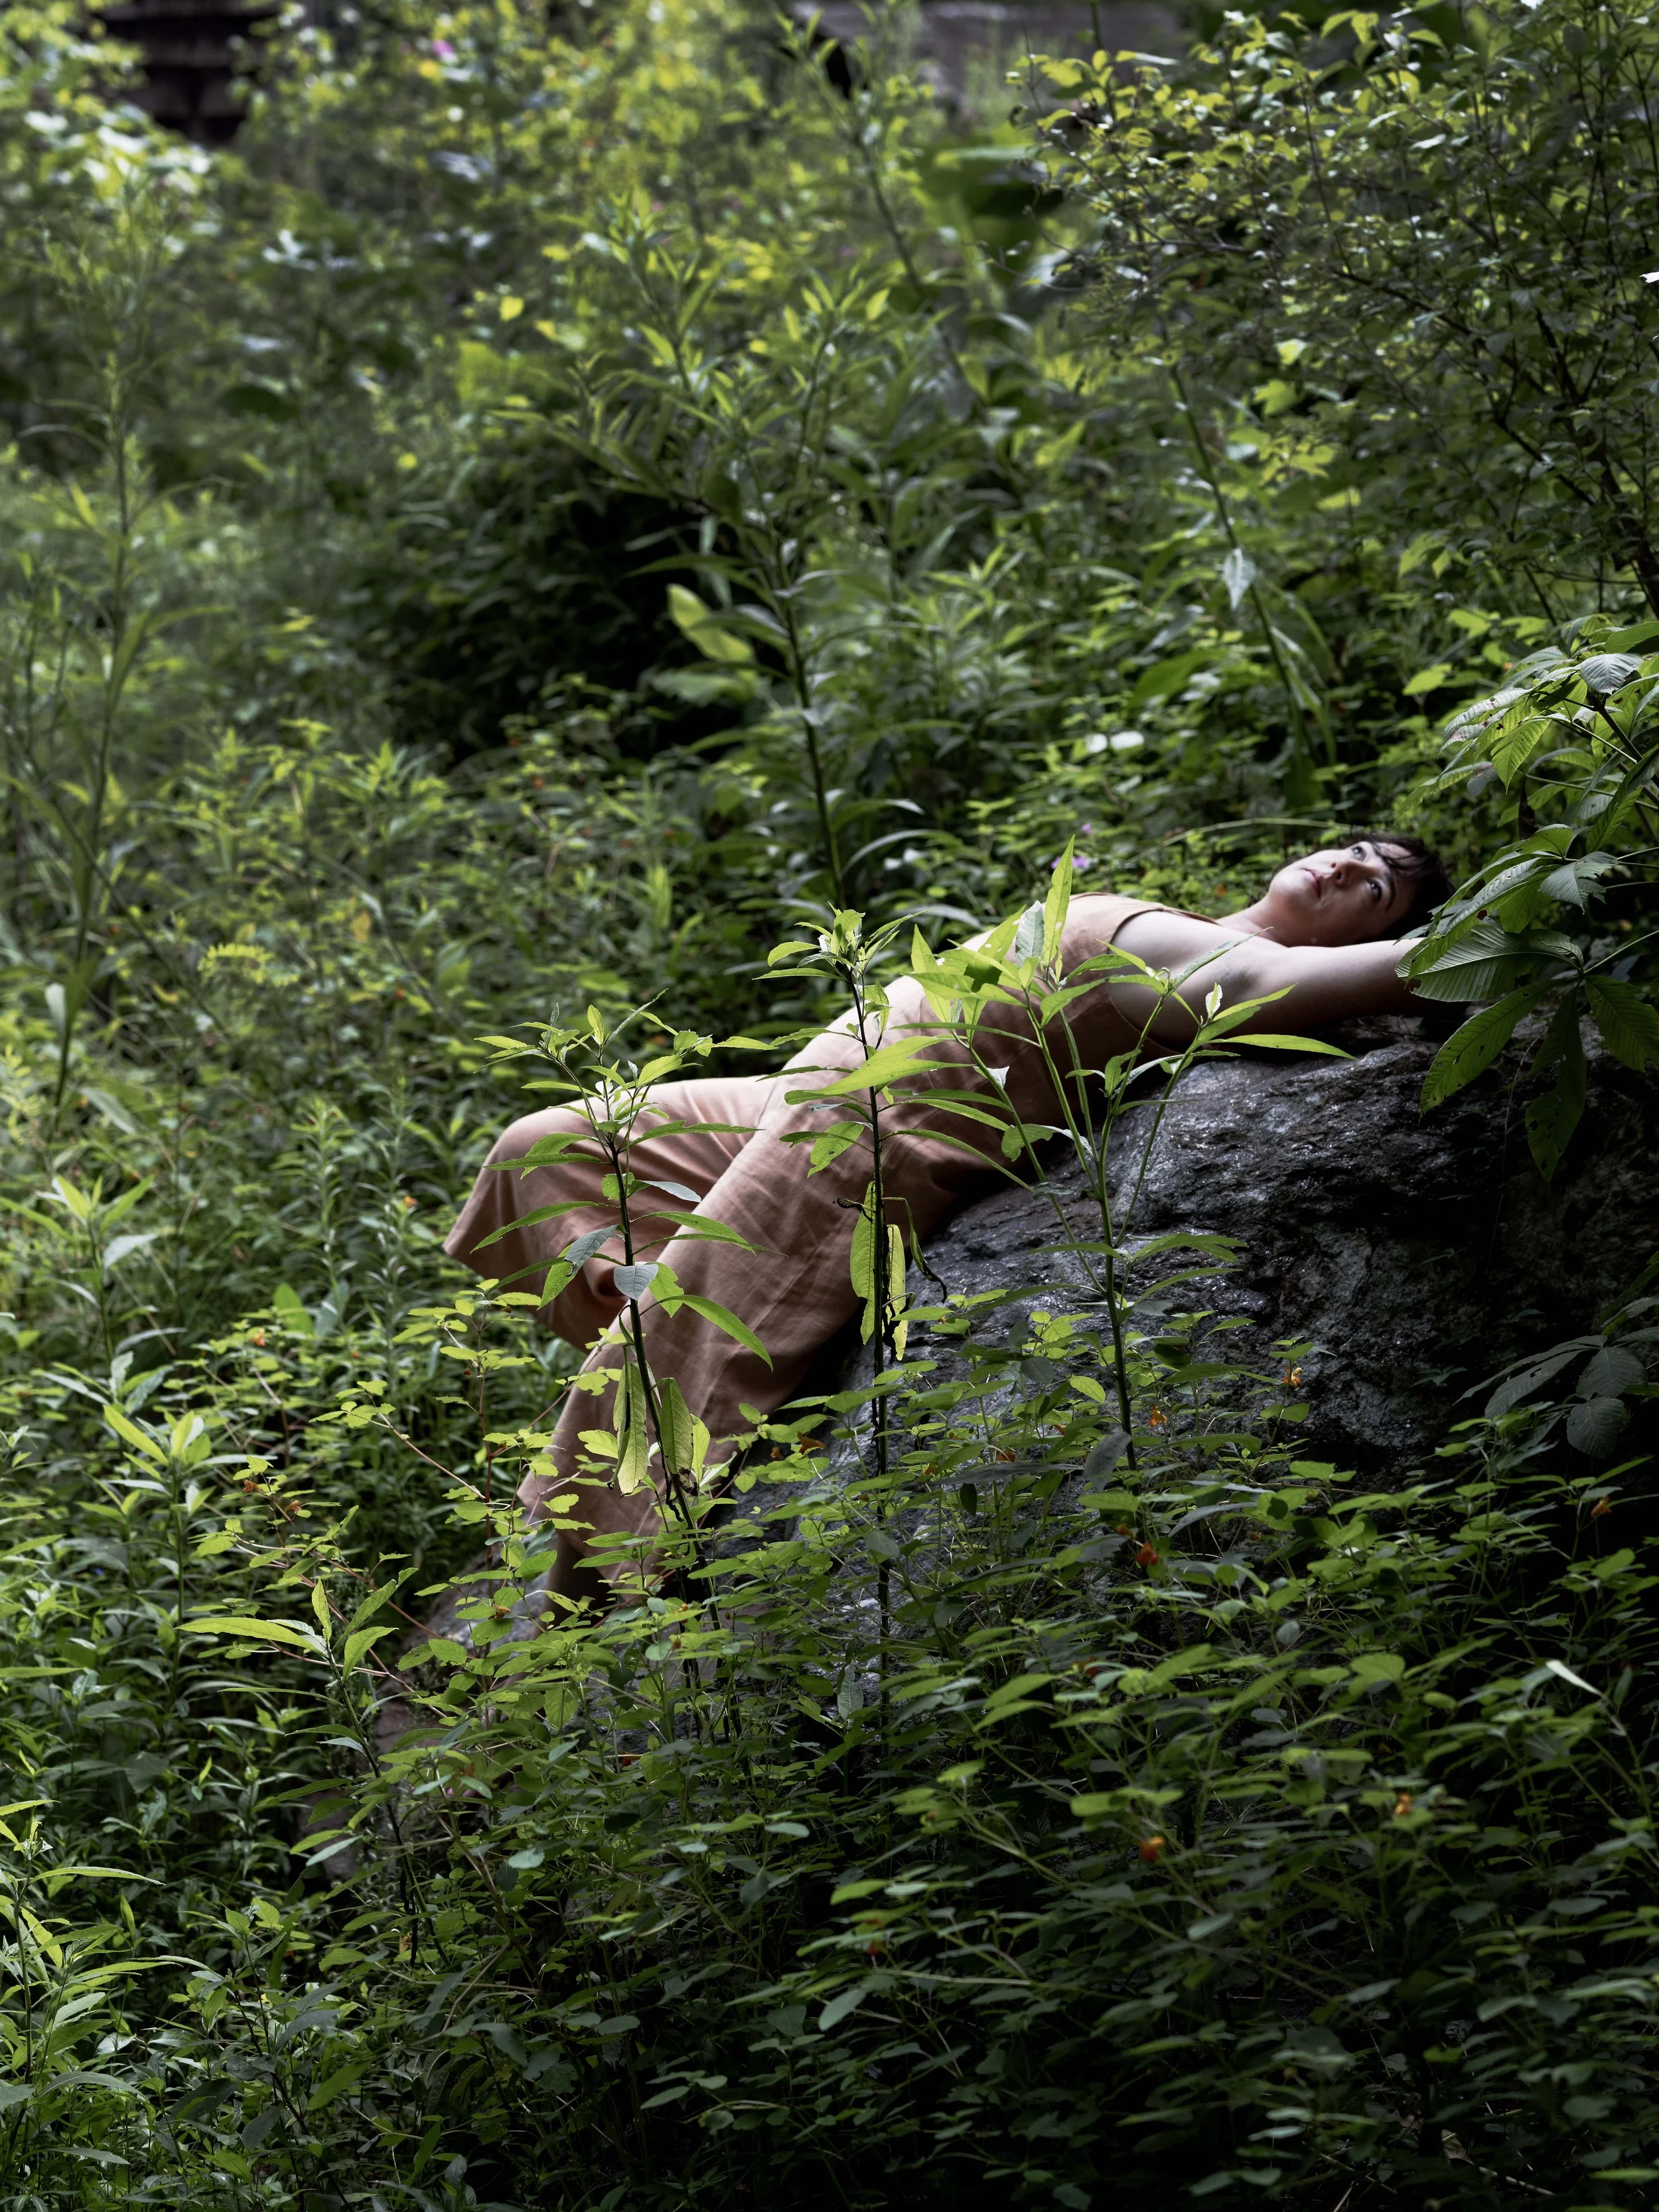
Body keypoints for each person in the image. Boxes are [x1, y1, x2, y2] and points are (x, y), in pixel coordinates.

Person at [445, 834, 1450, 1605]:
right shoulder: (1188, 916)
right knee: (553, 1149)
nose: (1346, 868)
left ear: (1370, 933)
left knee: (671, 1328)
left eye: (1375, 888)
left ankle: (576, 1604)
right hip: (820, 1074)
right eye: (1354, 851)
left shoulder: (1243, 965)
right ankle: (751, 1392)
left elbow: (1302, 984)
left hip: (884, 1117)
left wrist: (1498, 931)